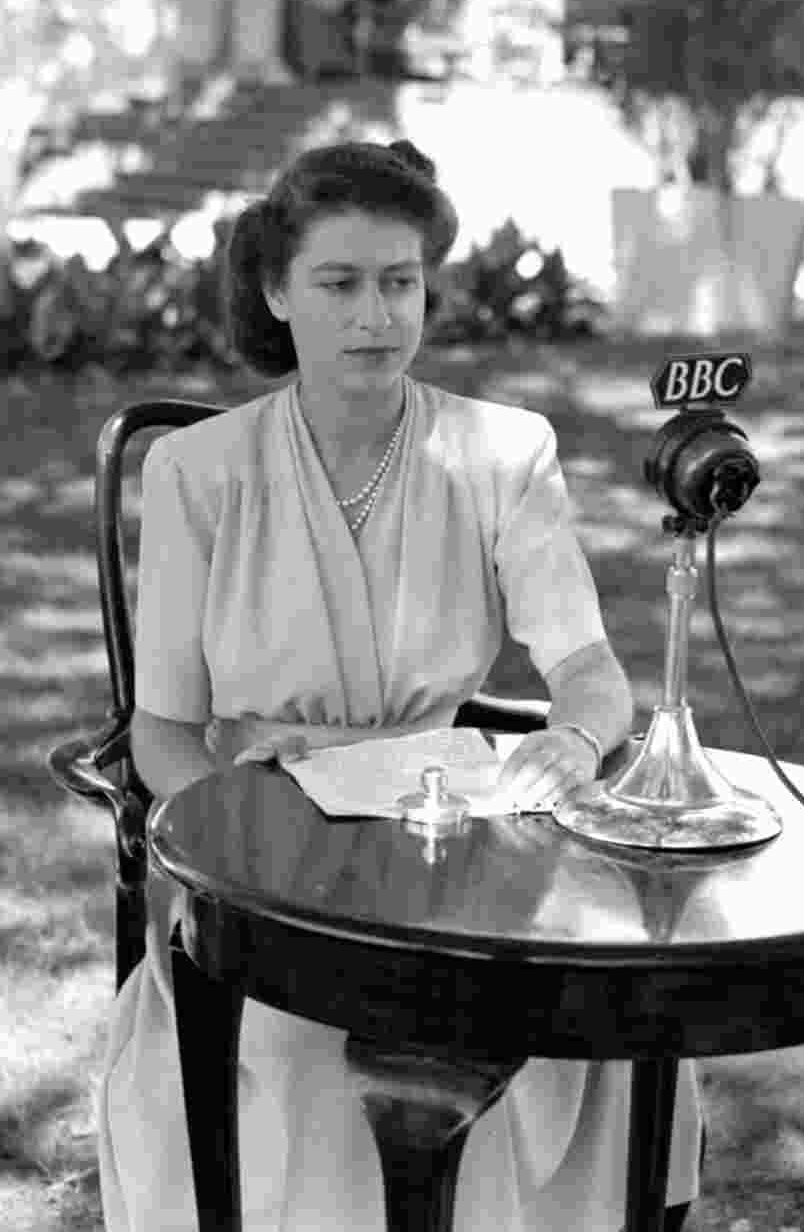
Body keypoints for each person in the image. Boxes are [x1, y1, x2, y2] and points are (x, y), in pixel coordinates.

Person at [96, 138, 703, 1231]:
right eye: (338, 284)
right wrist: (225, 844)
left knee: (595, 1009)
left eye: (399, 282)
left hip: (451, 834)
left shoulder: (504, 452)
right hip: (267, 851)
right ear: (278, 291)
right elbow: (165, 729)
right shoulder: (198, 471)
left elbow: (588, 672)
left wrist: (572, 739)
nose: (376, 315)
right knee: (312, 1038)